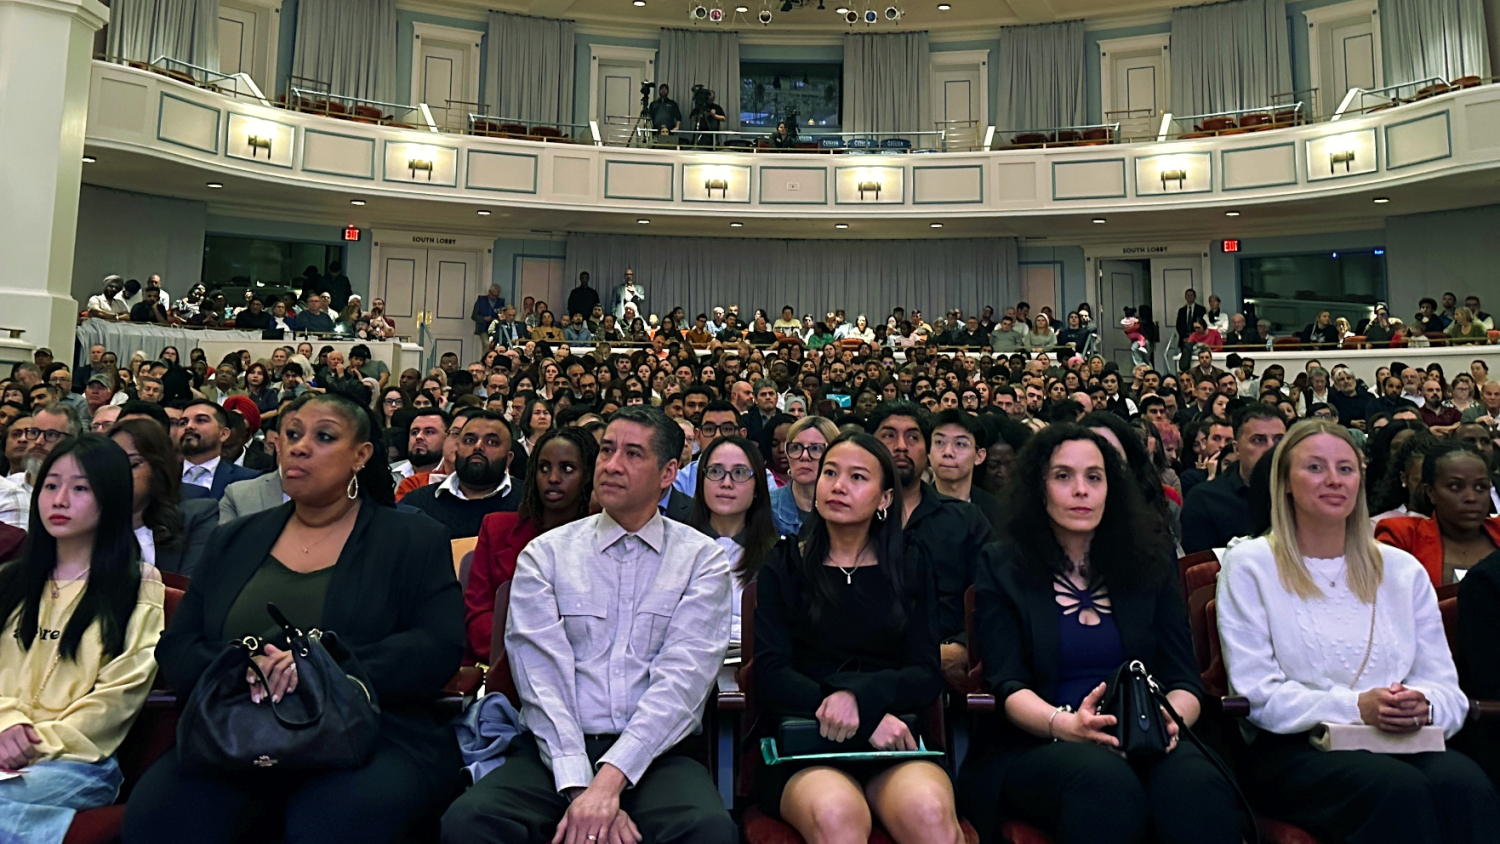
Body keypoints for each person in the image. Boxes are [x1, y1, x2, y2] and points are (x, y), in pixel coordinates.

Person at [124, 392, 465, 844]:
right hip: (235, 728)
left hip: (368, 731)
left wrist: (314, 668)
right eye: (291, 435)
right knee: (161, 817)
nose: (299, 447)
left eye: (323, 437)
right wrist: (246, 667)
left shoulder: (412, 537)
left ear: (361, 456)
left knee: (334, 821)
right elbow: (179, 645)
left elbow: (435, 648)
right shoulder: (235, 540)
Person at [441, 406, 736, 844]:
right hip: (554, 749)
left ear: (668, 472)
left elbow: (682, 683)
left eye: (633, 454)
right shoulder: (547, 555)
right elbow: (541, 680)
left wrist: (610, 782)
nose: (612, 465)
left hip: (658, 754)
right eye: (607, 450)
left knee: (708, 830)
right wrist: (582, 787)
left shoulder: (701, 559)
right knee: (470, 821)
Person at [1216, 420, 1500, 844]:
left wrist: (1423, 705)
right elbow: (1257, 693)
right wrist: (1357, 707)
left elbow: (1445, 687)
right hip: (1295, 748)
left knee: (1466, 785)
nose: (1334, 480)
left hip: (1400, 739)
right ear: (1286, 482)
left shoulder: (1401, 569)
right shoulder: (1251, 565)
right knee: (1396, 791)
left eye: (1346, 469)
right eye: (1315, 468)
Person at [959, 424, 1240, 844]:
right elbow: (1007, 683)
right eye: (1062, 476)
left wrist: (1171, 721)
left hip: (1147, 733)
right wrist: (1067, 725)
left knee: (1196, 783)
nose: (1080, 490)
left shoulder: (1151, 560)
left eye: (1094, 477)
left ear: (1112, 488)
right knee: (1105, 783)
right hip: (1041, 740)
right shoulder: (1002, 565)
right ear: (1038, 486)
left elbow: (1183, 679)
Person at [750, 430, 962, 842]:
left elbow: (925, 673)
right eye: (830, 473)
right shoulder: (786, 563)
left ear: (885, 498)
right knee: (836, 815)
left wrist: (860, 702)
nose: (838, 486)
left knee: (931, 814)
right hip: (808, 741)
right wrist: (851, 710)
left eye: (858, 478)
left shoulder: (911, 563)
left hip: (893, 735)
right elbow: (772, 672)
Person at [0, 435, 164, 844]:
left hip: (76, 762)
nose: (59, 499)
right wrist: (7, 723)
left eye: (80, 488)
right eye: (51, 485)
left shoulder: (138, 586)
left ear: (111, 498)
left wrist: (34, 743)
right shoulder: (10, 580)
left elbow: (119, 696)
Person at [869, 403, 993, 689]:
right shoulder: (848, 519)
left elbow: (992, 597)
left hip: (947, 676)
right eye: (888, 436)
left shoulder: (966, 520)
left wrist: (963, 647)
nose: (901, 446)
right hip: (866, 668)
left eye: (913, 437)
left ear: (926, 451)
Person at [464, 427, 597, 663]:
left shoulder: (600, 538)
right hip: (505, 665)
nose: (553, 478)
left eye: (567, 469)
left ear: (588, 474)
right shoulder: (496, 528)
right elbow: (478, 616)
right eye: (543, 468)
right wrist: (527, 658)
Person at [688, 435, 777, 652]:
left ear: (758, 487)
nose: (726, 483)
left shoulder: (777, 557)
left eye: (739, 473)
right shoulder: (677, 549)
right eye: (716, 472)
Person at [1376, 442, 1500, 587]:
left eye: (1481, 487)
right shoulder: (1404, 537)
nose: (1471, 497)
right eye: (1455, 487)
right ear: (1431, 492)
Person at [110, 419, 218, 576]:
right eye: (111, 464)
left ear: (157, 467)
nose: (119, 473)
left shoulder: (196, 516)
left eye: (132, 464)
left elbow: (188, 589)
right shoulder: (90, 522)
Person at [1181, 404, 1287, 553]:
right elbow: (1202, 569)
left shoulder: (1300, 495)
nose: (1271, 448)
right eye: (1258, 440)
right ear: (1236, 448)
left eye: (1279, 440)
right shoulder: (1205, 499)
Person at [401, 410, 522, 538]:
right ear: (457, 450)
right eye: (469, 440)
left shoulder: (529, 502)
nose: (478, 446)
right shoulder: (418, 502)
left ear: (508, 459)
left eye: (491, 442)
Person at [769, 415, 838, 538]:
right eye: (796, 447)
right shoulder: (767, 508)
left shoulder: (845, 508)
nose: (804, 456)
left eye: (816, 448)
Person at [176, 400, 262, 499]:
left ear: (223, 434)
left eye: (200, 420)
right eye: (183, 423)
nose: (189, 426)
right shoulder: (160, 476)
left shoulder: (249, 480)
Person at [928, 409, 998, 529]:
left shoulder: (997, 511)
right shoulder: (912, 507)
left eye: (960, 444)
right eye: (939, 442)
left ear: (979, 456)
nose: (948, 452)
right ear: (927, 451)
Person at [1174, 290, 1206, 372]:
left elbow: (1202, 324)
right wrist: (1184, 337)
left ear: (1195, 297)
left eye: (1191, 295)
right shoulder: (1181, 310)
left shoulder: (1201, 309)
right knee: (1184, 359)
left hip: (1196, 339)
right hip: (1183, 339)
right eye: (1187, 295)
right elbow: (1179, 325)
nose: (1189, 297)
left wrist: (1193, 336)